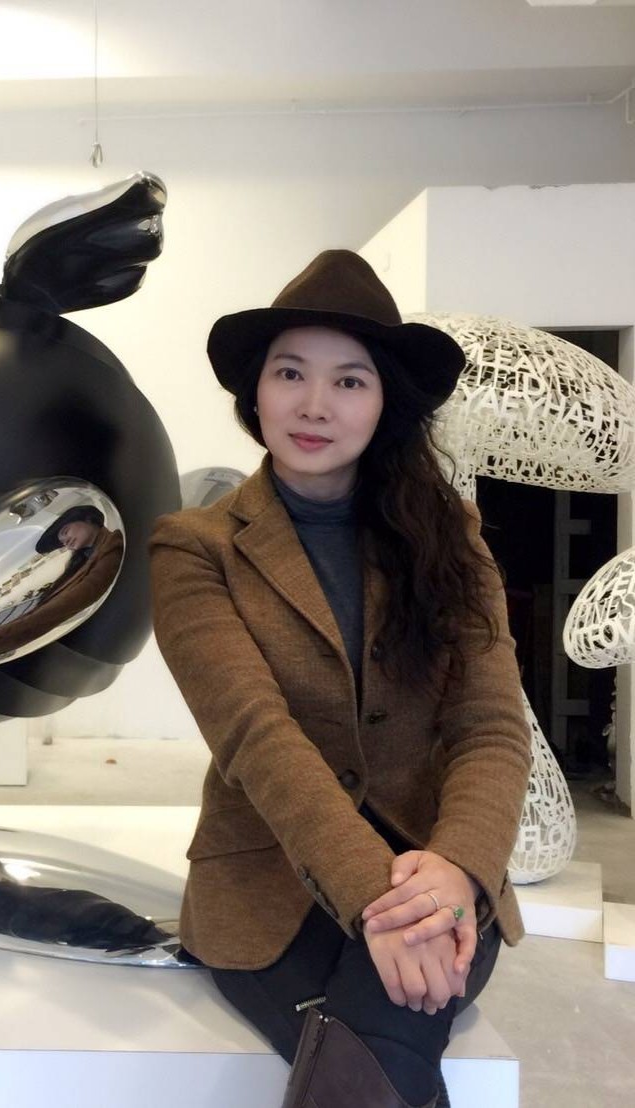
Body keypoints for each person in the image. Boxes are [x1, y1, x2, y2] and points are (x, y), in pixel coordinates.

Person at [148, 250, 531, 1108]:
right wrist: (374, 901)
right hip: (267, 883)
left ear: (385, 401)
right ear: (256, 393)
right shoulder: (194, 546)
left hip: (434, 865)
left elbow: (491, 726)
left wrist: (457, 870)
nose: (315, 405)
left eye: (349, 381)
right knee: (389, 1034)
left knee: (383, 1028)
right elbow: (256, 737)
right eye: (290, 373)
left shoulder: (451, 536)